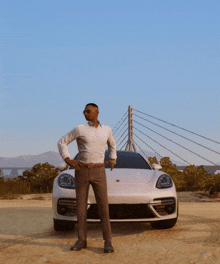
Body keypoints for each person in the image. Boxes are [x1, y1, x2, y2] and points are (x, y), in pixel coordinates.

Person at [57, 103, 117, 253]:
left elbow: (112, 144)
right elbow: (62, 141)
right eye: (84, 111)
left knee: (103, 206)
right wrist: (67, 159)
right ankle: (81, 240)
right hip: (82, 170)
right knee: (81, 207)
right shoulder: (80, 129)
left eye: (88, 111)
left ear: (96, 112)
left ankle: (107, 241)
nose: (85, 113)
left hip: (99, 170)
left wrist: (113, 158)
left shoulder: (107, 129)